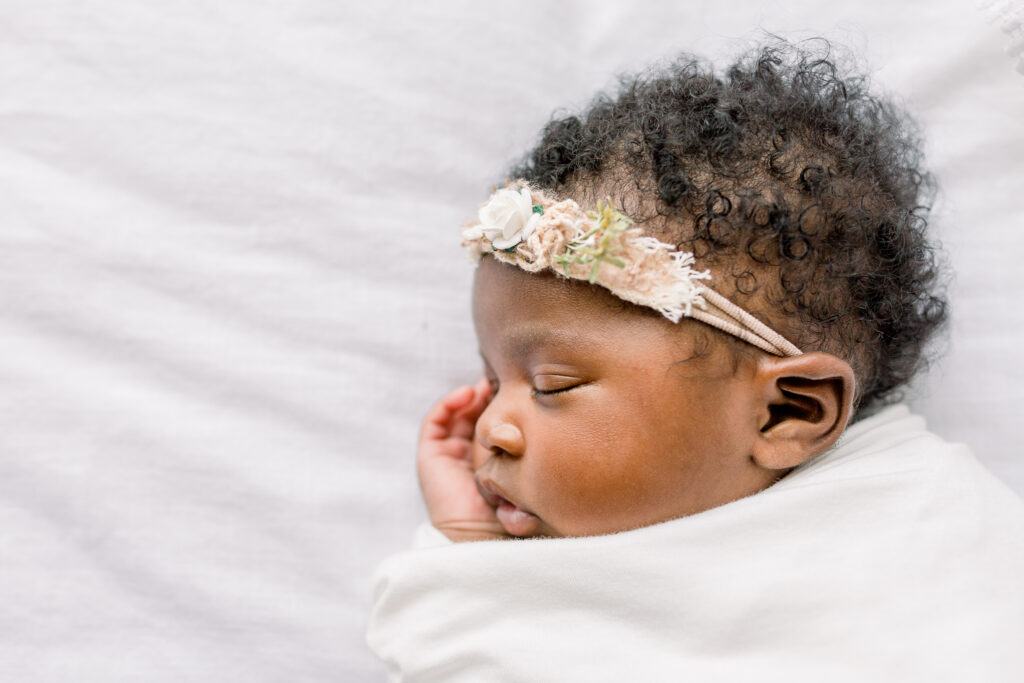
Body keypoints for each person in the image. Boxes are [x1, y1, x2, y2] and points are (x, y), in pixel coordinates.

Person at [367, 42, 1024, 681]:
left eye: (550, 383)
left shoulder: (935, 526)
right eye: (491, 379)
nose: (492, 427)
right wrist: (469, 545)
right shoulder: (570, 581)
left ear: (787, 410)